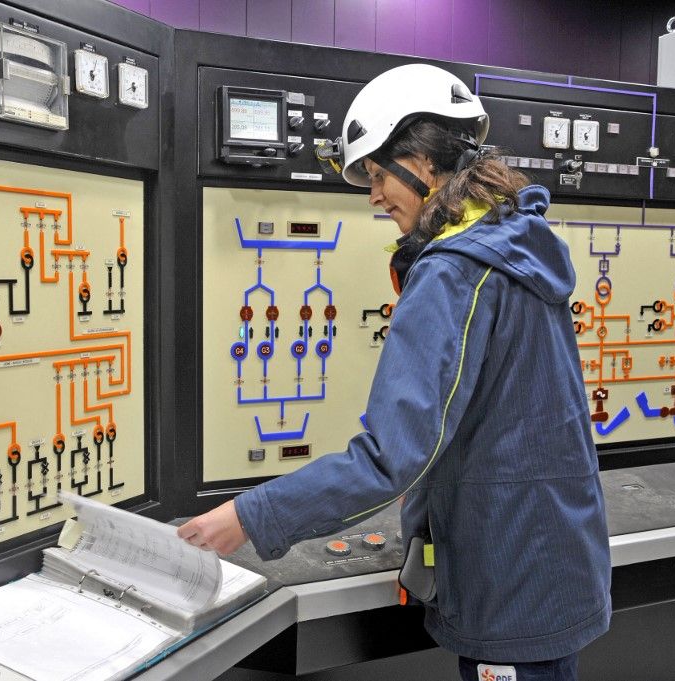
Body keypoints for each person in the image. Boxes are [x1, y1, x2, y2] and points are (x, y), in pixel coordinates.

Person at [178, 63, 611, 681]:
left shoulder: (455, 272)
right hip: (550, 556)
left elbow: (390, 455)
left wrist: (248, 516)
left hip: (508, 574)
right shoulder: (515, 245)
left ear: (426, 162)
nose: (374, 195)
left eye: (379, 175)